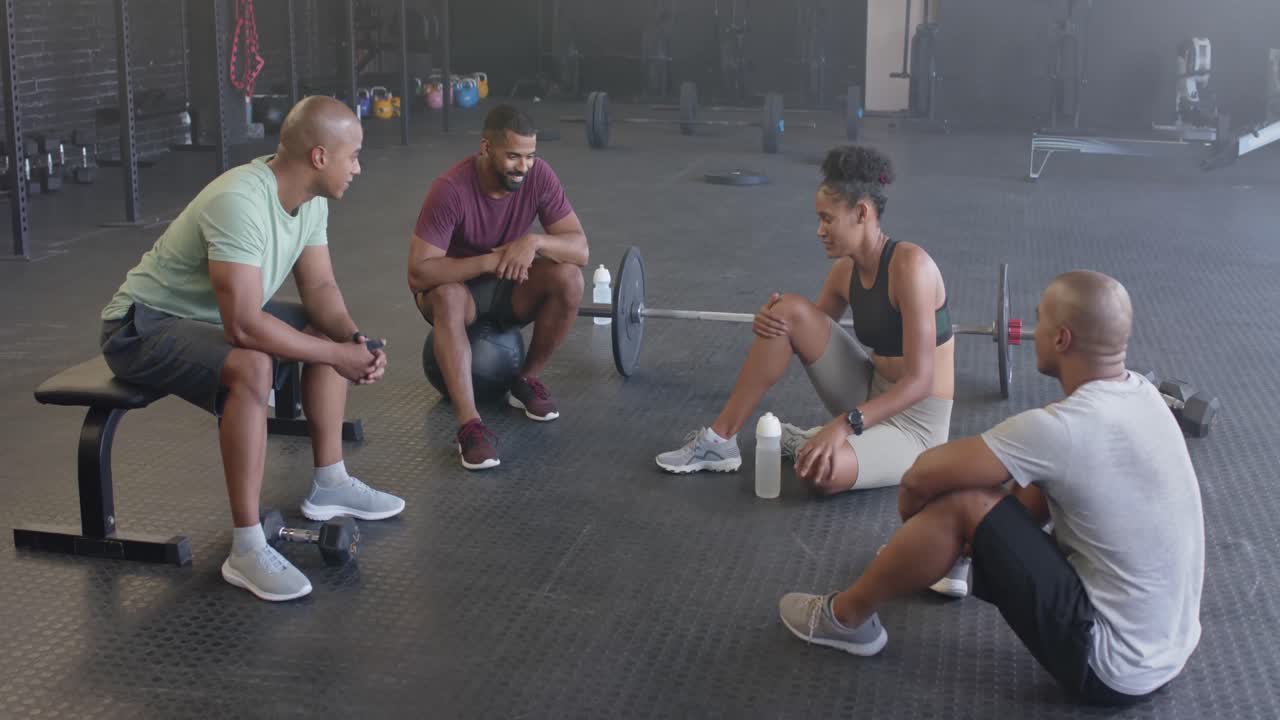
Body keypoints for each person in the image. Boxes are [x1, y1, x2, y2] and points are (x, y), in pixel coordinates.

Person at [777, 271, 1205, 706]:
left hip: (1111, 667)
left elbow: (922, 474)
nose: (1032, 330)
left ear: (1061, 339)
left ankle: (846, 618)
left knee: (966, 499)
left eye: (1039, 320)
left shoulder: (1064, 428)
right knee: (1016, 485)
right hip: (1166, 649)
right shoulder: (1143, 395)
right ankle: (943, 557)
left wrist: (917, 518)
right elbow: (1034, 497)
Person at [98, 97, 405, 602]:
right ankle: (246, 547)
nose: (358, 167)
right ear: (320, 157)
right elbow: (242, 325)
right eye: (353, 156)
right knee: (253, 365)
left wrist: (354, 340)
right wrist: (336, 358)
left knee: (326, 333)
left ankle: (330, 482)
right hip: (139, 327)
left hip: (206, 317)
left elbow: (321, 288)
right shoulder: (239, 201)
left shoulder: (311, 200)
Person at [408, 104, 588, 471]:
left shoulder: (539, 177)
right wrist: (489, 261)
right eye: (513, 156)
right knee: (448, 295)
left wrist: (534, 242)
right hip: (457, 292)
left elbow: (580, 249)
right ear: (486, 148)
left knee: (569, 278)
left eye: (530, 156)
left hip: (508, 288)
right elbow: (419, 274)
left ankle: (527, 379)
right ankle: (470, 426)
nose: (523, 166)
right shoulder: (450, 189)